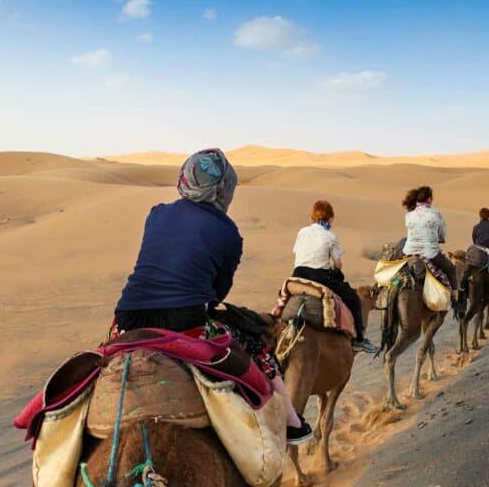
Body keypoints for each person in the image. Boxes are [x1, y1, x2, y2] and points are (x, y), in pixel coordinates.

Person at [114, 148, 313, 445]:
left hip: (127, 319)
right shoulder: (228, 232)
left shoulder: (156, 214)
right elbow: (218, 292)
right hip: (186, 322)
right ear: (224, 189)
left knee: (99, 365)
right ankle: (290, 422)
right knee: (258, 349)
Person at [292, 200, 379, 354]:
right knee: (352, 299)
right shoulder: (330, 236)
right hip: (319, 276)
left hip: (298, 274)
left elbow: (298, 253)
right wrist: (335, 265)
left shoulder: (302, 231)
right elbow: (338, 264)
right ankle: (358, 340)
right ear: (331, 218)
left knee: (285, 294)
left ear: (312, 217)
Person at [402, 185, 458, 295]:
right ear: (429, 199)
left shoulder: (409, 215)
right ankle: (455, 296)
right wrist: (440, 239)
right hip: (430, 253)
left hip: (410, 252)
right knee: (451, 269)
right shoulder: (436, 214)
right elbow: (441, 234)